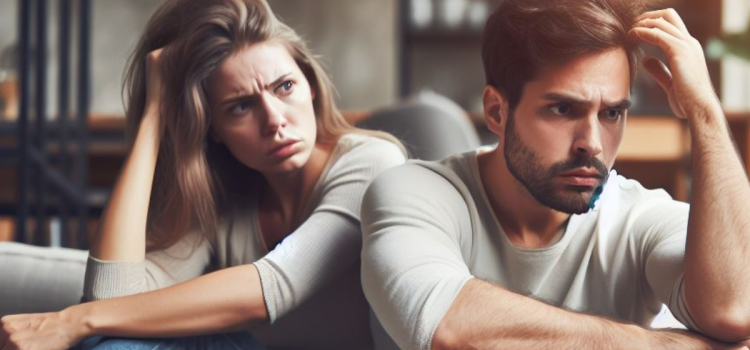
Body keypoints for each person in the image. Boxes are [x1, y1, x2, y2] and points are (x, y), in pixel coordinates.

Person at [0, 0, 405, 349]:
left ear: (310, 85)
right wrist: (156, 115)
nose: (275, 121)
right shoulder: (224, 192)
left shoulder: (372, 164)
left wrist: (72, 321)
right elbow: (111, 294)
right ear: (213, 129)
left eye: (284, 87)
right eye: (240, 107)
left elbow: (274, 285)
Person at [360, 0, 750, 349]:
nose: (592, 144)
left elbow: (733, 312)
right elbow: (455, 330)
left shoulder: (639, 217)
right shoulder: (412, 193)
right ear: (497, 112)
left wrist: (705, 112)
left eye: (612, 113)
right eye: (562, 110)